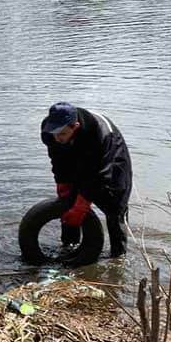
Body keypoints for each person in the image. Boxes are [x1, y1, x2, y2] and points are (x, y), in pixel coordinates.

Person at [40, 102, 132, 258]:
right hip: (76, 150)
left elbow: (98, 176)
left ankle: (118, 257)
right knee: (69, 202)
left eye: (61, 133)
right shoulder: (50, 132)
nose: (56, 137)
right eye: (53, 133)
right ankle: (69, 246)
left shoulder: (98, 135)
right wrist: (64, 189)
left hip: (110, 156)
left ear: (74, 126)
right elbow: (57, 160)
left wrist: (82, 206)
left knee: (114, 208)